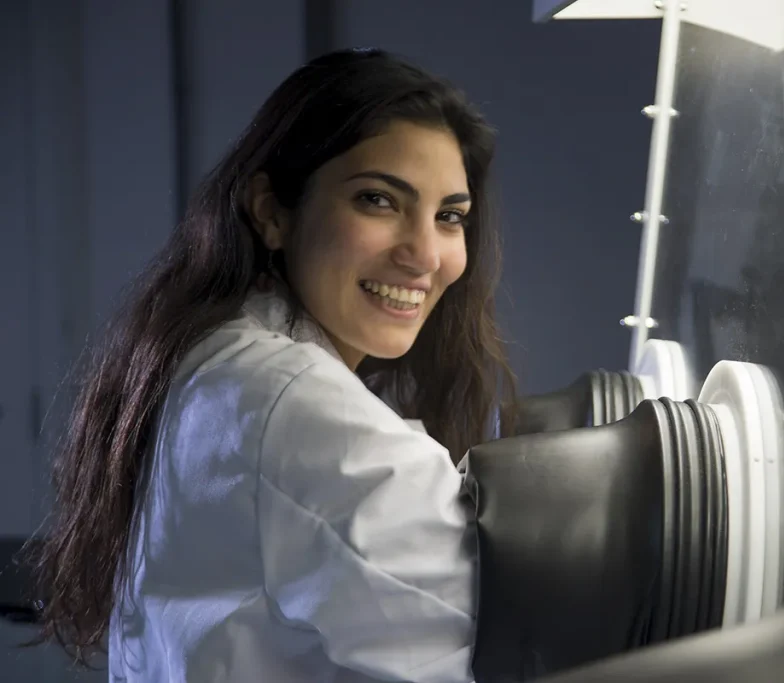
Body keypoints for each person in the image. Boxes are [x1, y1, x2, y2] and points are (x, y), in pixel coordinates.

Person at [30, 48, 518, 682]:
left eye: (449, 216)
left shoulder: (221, 358)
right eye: (377, 200)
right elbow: (480, 660)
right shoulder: (299, 406)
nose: (425, 254)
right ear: (272, 211)